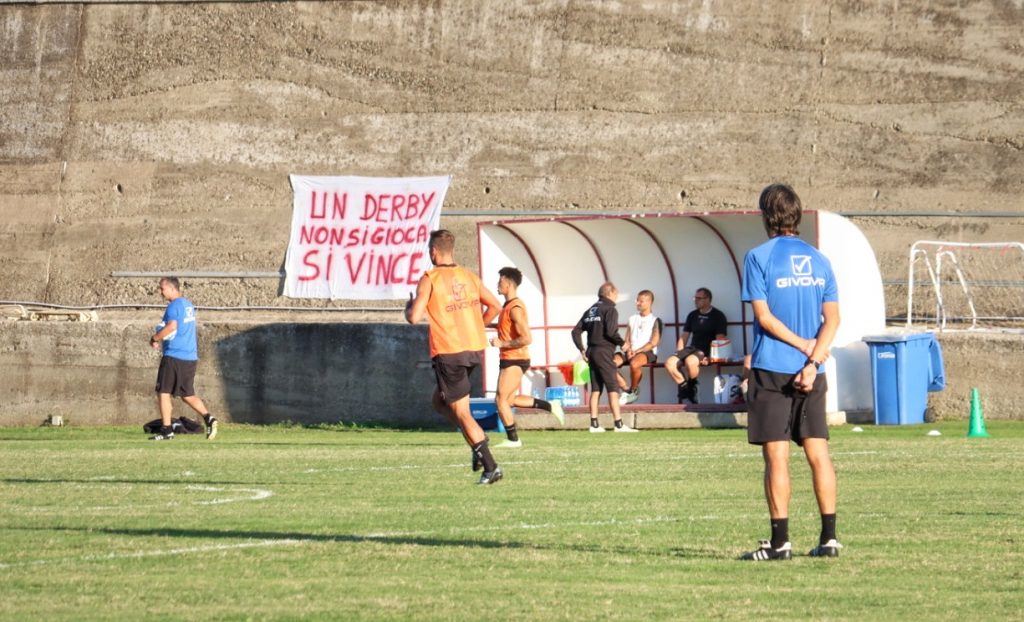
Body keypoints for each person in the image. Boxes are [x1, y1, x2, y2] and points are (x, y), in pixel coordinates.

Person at [740, 183, 841, 561]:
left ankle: (781, 543)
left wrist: (802, 348)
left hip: (772, 368)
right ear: (798, 215)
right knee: (819, 453)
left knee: (777, 458)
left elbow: (764, 318)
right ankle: (829, 539)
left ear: (767, 216)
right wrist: (814, 361)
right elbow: (833, 319)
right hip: (811, 372)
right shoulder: (819, 259)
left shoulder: (758, 257)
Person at [405, 229, 505, 485]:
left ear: (433, 252)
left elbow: (414, 318)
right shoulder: (468, 276)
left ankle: (490, 465)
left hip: (449, 351)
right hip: (472, 349)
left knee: (461, 412)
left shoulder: (430, 278)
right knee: (439, 403)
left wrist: (409, 307)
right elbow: (495, 305)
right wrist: (474, 323)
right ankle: (477, 440)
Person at [490, 267, 566, 447]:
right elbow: (509, 330)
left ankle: (513, 440)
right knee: (508, 400)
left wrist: (502, 344)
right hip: (511, 357)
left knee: (500, 400)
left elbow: (526, 338)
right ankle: (551, 405)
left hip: (515, 358)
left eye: (500, 281)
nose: (497, 285)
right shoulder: (507, 307)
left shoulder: (515, 308)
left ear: (508, 284)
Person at [148, 277, 218, 441]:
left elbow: (172, 327)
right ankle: (209, 418)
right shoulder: (188, 305)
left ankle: (166, 431)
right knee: (187, 394)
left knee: (163, 391)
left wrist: (156, 338)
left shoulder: (174, 306)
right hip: (190, 356)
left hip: (175, 355)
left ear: (172, 289)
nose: (160, 292)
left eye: (162, 289)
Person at [571, 282, 637, 433]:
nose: (617, 298)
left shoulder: (590, 311)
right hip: (604, 352)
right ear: (609, 293)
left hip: (591, 352)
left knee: (596, 389)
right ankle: (618, 424)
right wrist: (623, 344)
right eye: (616, 295)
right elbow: (611, 332)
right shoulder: (610, 309)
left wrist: (582, 349)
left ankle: (594, 424)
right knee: (612, 387)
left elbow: (575, 332)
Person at [663, 288, 728, 404]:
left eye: (699, 298)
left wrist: (711, 357)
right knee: (669, 363)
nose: (695, 300)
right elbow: (684, 336)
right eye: (695, 298)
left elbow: (720, 339)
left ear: (708, 299)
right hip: (691, 349)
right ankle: (687, 388)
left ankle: (692, 386)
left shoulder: (718, 315)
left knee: (690, 362)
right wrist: (679, 353)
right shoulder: (692, 315)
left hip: (706, 350)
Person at [613, 290, 662, 405]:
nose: (638, 303)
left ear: (650, 302)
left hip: (647, 352)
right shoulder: (632, 318)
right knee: (608, 363)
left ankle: (634, 391)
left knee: (634, 363)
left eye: (641, 301)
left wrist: (638, 351)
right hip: (631, 351)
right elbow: (627, 339)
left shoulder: (655, 320)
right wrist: (629, 350)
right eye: (637, 300)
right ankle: (627, 389)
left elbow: (654, 342)